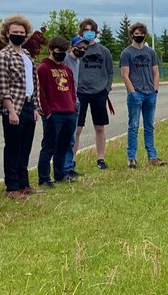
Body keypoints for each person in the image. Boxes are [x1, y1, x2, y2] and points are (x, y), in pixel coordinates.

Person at [0, 15, 41, 200]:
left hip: (29, 105)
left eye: (21, 32)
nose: (19, 35)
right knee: (13, 147)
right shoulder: (3, 56)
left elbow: (33, 83)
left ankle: (24, 184)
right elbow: (2, 86)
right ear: (7, 34)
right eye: (15, 32)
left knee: (26, 147)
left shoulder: (27, 56)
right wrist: (11, 110)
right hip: (14, 107)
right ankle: (12, 187)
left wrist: (36, 107)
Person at [36, 37, 78, 188]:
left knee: (64, 145)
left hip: (69, 112)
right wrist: (47, 113)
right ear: (51, 50)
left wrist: (74, 107)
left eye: (64, 51)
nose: (61, 54)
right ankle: (44, 178)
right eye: (59, 51)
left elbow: (72, 91)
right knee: (49, 146)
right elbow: (40, 93)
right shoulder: (43, 68)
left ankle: (60, 174)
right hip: (54, 114)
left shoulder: (67, 70)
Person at [73, 18, 114, 170]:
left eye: (91, 31)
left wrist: (106, 89)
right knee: (77, 129)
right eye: (85, 31)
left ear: (96, 33)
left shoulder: (104, 51)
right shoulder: (77, 50)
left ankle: (100, 159)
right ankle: (71, 160)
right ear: (81, 32)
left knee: (100, 127)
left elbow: (110, 72)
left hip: (99, 93)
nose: (88, 33)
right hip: (80, 93)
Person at [120, 23, 161, 168]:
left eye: (141, 33)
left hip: (150, 93)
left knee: (149, 125)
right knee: (134, 126)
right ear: (132, 35)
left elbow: (155, 72)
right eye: (136, 33)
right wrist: (132, 92)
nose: (139, 36)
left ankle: (152, 156)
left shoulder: (151, 53)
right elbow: (125, 75)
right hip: (136, 93)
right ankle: (131, 158)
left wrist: (155, 90)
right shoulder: (126, 53)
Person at [62, 36, 87, 177]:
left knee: (71, 137)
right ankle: (62, 168)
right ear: (71, 47)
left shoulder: (78, 62)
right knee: (63, 138)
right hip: (64, 103)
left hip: (74, 102)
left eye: (84, 48)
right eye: (79, 47)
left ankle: (68, 166)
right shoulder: (65, 60)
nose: (81, 50)